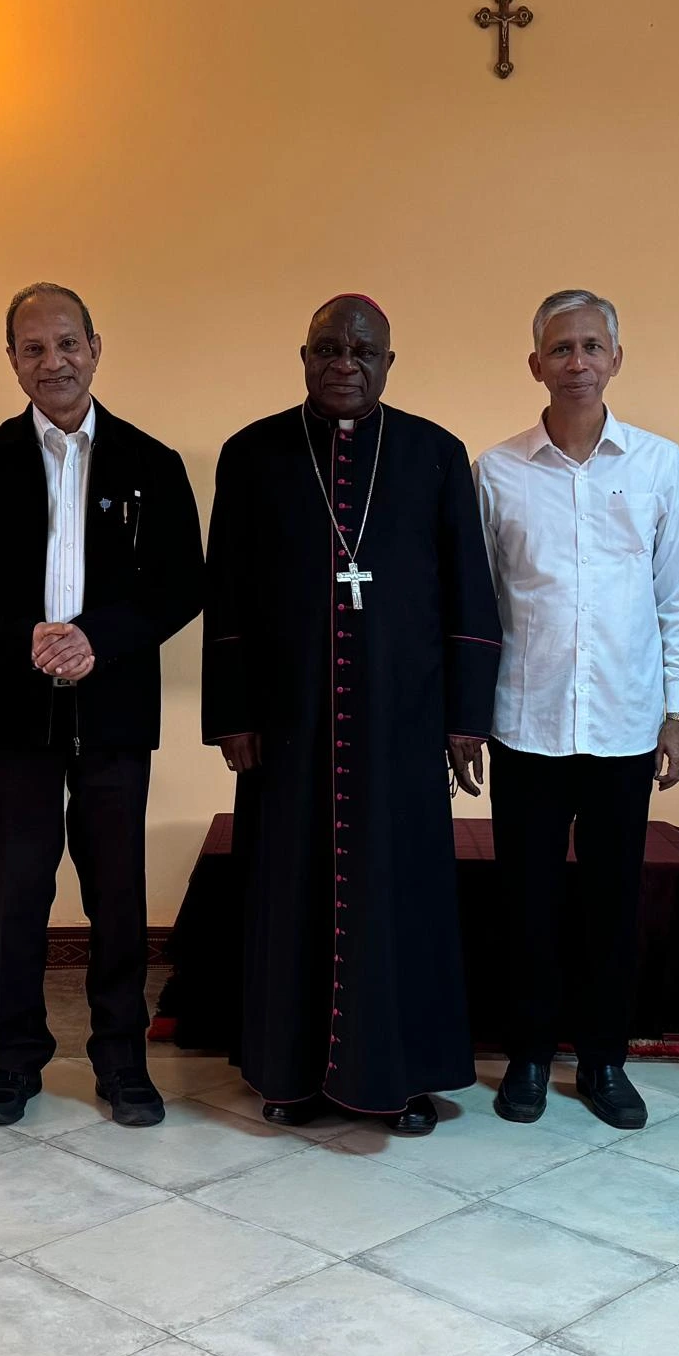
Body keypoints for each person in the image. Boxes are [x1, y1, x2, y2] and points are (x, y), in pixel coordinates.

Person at [201, 294, 500, 1136]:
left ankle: (400, 1074)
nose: (344, 363)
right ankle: (289, 1072)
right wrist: (231, 711)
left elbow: (469, 587)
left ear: (389, 364)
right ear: (302, 356)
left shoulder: (435, 454)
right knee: (289, 887)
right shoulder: (253, 453)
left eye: (363, 352)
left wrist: (465, 718)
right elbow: (225, 588)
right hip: (289, 725)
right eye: (328, 348)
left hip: (402, 725)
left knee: (400, 893)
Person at [0, 284, 204, 1129]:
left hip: (114, 714)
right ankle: (12, 1065)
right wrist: (22, 637)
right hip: (11, 713)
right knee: (16, 893)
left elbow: (181, 585)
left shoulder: (151, 463)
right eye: (32, 348)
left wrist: (99, 636)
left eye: (67, 343)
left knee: (118, 896)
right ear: (13, 361)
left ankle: (122, 1062)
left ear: (95, 347)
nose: (52, 361)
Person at [475, 290, 679, 1130]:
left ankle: (604, 1060)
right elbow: (478, 604)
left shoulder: (655, 465)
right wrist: (466, 715)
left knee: (613, 903)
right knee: (527, 903)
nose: (576, 362)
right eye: (560, 349)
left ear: (615, 358)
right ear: (535, 363)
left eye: (590, 347)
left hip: (623, 725)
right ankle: (531, 1058)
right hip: (525, 722)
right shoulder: (497, 471)